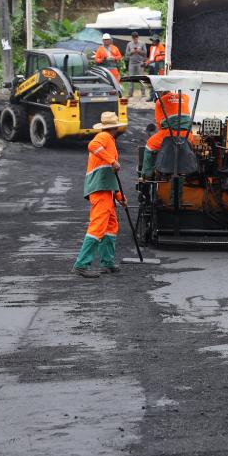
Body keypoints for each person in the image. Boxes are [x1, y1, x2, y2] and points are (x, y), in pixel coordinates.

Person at [73, 111, 128, 278]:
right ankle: (81, 264)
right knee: (98, 227)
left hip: (106, 190)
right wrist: (112, 160)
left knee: (111, 227)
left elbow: (110, 174)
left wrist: (119, 197)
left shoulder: (109, 141)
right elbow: (92, 145)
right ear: (115, 128)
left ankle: (108, 263)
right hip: (100, 190)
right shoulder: (104, 137)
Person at [124, 32, 148, 97]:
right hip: (131, 63)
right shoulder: (129, 44)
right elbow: (126, 55)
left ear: (138, 37)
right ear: (132, 38)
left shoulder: (142, 43)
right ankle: (130, 93)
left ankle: (143, 93)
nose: (135, 39)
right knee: (131, 78)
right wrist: (131, 52)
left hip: (140, 63)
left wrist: (139, 51)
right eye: (134, 38)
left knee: (141, 78)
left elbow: (145, 53)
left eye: (136, 38)